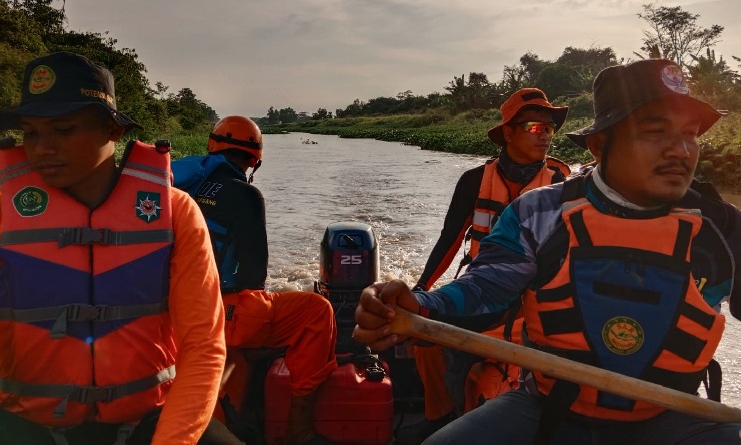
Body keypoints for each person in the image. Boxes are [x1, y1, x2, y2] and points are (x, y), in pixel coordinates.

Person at [353, 58, 741, 444]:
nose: (680, 150)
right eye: (656, 132)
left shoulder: (721, 226)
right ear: (599, 144)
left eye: (690, 134)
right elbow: (487, 287)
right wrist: (420, 305)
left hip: (675, 416)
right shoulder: (539, 212)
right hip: (550, 405)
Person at [0, 51, 227, 445]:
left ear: (112, 130)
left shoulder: (176, 214)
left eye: (63, 130)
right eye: (31, 132)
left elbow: (204, 347)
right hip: (26, 429)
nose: (42, 148)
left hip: (146, 423)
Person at [397, 89, 571, 445]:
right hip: (479, 294)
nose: (546, 136)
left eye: (550, 129)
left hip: (531, 308)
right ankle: (438, 416)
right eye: (536, 127)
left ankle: (473, 415)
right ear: (508, 133)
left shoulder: (560, 186)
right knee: (423, 334)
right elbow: (448, 242)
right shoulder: (474, 180)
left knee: (481, 351)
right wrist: (420, 291)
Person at [171, 116, 338, 445]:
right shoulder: (245, 195)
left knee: (244, 334)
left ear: (211, 147)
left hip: (175, 312)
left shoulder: (179, 188)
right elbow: (253, 276)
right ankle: (299, 428)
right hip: (223, 313)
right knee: (317, 310)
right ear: (254, 160)